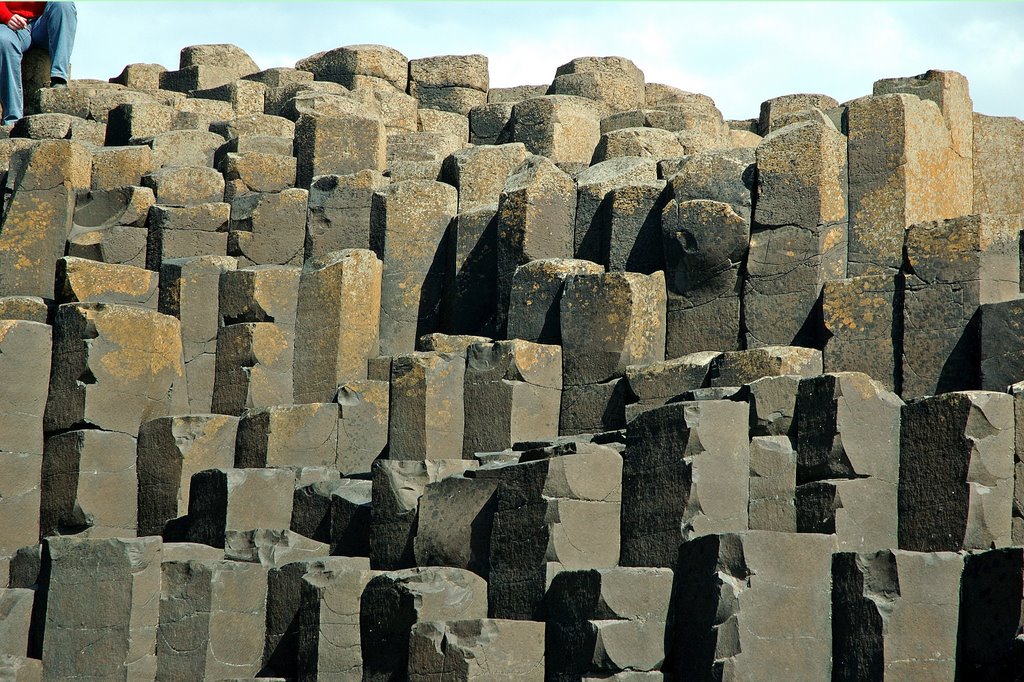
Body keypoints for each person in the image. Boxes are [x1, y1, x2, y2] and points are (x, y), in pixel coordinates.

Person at [0, 2, 76, 125]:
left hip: (44, 23)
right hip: (10, 25)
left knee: (64, 4)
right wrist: (6, 16)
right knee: (2, 40)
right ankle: (12, 119)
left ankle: (59, 80)